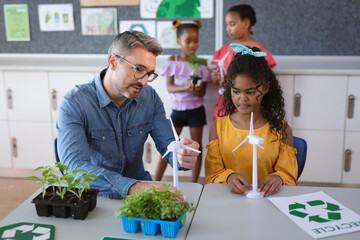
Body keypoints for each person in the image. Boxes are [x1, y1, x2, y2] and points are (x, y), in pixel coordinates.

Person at [56, 31, 200, 199]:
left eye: (149, 73)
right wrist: (133, 187)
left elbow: (168, 146)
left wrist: (183, 154)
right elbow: (75, 167)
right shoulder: (74, 103)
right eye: (139, 69)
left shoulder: (149, 97)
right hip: (96, 196)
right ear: (113, 61)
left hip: (141, 189)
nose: (144, 81)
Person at [205, 44, 297, 197]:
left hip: (268, 202)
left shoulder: (282, 130)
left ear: (266, 88)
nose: (242, 99)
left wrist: (279, 178)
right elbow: (212, 175)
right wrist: (228, 177)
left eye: (251, 92)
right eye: (236, 91)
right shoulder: (218, 127)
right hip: (229, 203)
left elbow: (289, 176)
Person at [153, 20, 210, 183]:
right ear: (179, 41)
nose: (193, 45)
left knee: (196, 147)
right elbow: (170, 87)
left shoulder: (201, 63)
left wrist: (196, 89)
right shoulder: (174, 60)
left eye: (196, 40)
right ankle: (156, 180)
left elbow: (202, 92)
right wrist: (185, 86)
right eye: (188, 41)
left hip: (196, 110)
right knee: (169, 146)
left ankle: (194, 183)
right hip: (178, 110)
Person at [212, 4, 276, 120]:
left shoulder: (257, 48)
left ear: (246, 23)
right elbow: (219, 76)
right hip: (226, 102)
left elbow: (265, 77)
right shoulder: (224, 49)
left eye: (232, 24)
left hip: (248, 103)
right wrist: (216, 77)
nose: (228, 28)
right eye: (227, 25)